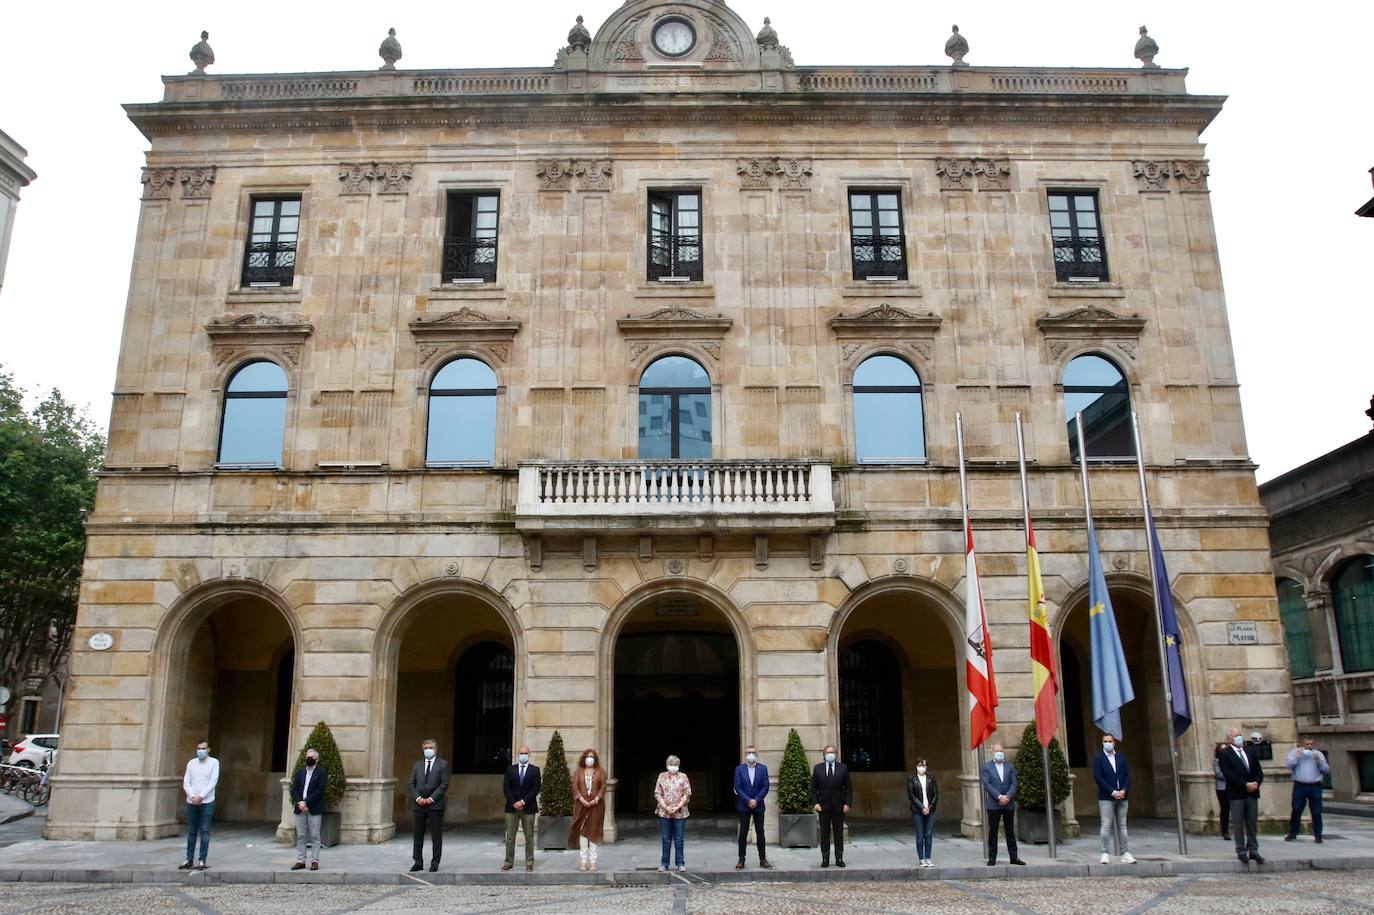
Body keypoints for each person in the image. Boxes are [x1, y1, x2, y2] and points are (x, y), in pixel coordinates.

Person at [1218, 726, 1264, 865]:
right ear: (1229, 738)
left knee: (1252, 822)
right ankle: (1241, 850)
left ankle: (1253, 849)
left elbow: (1259, 770)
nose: (1239, 737)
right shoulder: (1225, 754)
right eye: (1236, 735)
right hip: (1237, 792)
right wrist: (1245, 784)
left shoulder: (1250, 751)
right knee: (1238, 823)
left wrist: (1256, 782)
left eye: (1240, 735)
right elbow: (1228, 774)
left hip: (1252, 791)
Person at [1092, 734, 1135, 864]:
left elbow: (1127, 775)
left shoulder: (1121, 758)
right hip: (1106, 797)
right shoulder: (1098, 758)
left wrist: (1123, 790)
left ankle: (1125, 852)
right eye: (1105, 741)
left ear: (1114, 742)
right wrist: (1112, 792)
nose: (1107, 743)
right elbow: (1098, 777)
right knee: (1106, 825)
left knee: (1123, 825)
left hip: (1122, 796)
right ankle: (1105, 853)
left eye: (1110, 741)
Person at [408, 738, 449, 872]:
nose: (428, 750)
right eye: (426, 748)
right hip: (419, 805)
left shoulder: (442, 764)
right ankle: (417, 862)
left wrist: (431, 799)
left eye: (430, 748)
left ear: (435, 749)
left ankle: (435, 862)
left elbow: (444, 784)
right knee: (417, 835)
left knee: (436, 836)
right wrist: (418, 798)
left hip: (435, 806)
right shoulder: (417, 765)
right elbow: (411, 784)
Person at [980, 743, 1025, 866]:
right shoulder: (986, 767)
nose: (999, 753)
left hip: (1008, 803)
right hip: (994, 804)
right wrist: (999, 797)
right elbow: (986, 784)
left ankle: (1014, 857)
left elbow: (1014, 783)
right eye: (997, 751)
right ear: (992, 752)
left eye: (1001, 751)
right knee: (993, 831)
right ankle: (992, 857)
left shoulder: (1010, 766)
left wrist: (1008, 796)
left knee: (1010, 831)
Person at [180, 740, 219, 870]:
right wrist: (192, 796)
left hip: (207, 801)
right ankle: (189, 859)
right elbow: (186, 781)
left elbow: (213, 782)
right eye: (199, 748)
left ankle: (202, 859)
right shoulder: (191, 763)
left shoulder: (214, 763)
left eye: (203, 749)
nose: (201, 751)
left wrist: (201, 796)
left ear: (208, 750)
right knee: (191, 831)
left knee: (205, 830)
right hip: (192, 801)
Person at [733, 745, 773, 870]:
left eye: (753, 752)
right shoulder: (739, 769)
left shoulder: (763, 768)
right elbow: (738, 787)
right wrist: (748, 800)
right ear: (745, 754)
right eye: (749, 752)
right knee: (743, 833)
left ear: (756, 754)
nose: (751, 754)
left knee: (760, 832)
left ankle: (762, 858)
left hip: (758, 805)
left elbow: (765, 786)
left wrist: (756, 800)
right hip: (744, 806)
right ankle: (741, 859)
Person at [811, 744, 852, 868]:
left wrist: (847, 803)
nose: (830, 754)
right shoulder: (818, 768)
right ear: (824, 755)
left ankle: (839, 858)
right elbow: (813, 788)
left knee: (838, 833)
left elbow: (849, 788)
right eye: (828, 752)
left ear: (836, 754)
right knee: (824, 834)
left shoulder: (843, 768)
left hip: (839, 806)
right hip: (823, 807)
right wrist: (815, 803)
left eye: (832, 752)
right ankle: (825, 859)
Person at [501, 745, 541, 871]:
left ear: (529, 755)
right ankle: (508, 862)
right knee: (510, 837)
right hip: (512, 808)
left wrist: (523, 802)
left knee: (529, 837)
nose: (523, 755)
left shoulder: (535, 770)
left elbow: (535, 789)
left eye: (525, 753)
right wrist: (514, 802)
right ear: (518, 755)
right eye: (521, 753)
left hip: (528, 807)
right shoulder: (510, 769)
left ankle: (529, 862)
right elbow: (506, 788)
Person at [289, 747, 328, 871]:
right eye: (307, 757)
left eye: (311, 757)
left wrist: (307, 802)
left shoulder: (321, 772)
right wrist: (300, 802)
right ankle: (301, 860)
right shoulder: (300, 772)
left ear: (317, 759)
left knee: (315, 836)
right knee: (301, 836)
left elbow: (320, 790)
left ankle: (315, 861)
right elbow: (294, 789)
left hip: (314, 808)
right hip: (300, 808)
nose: (309, 759)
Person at [1285, 737, 1330, 843]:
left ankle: (1318, 835)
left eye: (1311, 744)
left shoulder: (1318, 754)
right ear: (1301, 744)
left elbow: (1326, 770)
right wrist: (1297, 757)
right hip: (1300, 785)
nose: (1309, 747)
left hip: (1315, 786)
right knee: (1296, 809)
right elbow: (1288, 765)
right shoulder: (1295, 752)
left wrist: (1318, 761)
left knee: (1316, 811)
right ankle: (1292, 833)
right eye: (1307, 744)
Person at [569, 748, 606, 872]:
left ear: (595, 759)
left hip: (596, 806)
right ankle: (583, 862)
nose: (589, 759)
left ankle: (593, 862)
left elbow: (603, 787)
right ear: (584, 758)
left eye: (592, 756)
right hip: (581, 806)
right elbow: (575, 787)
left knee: (593, 833)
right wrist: (582, 800)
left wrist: (596, 799)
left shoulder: (600, 771)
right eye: (587, 756)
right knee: (583, 832)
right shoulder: (578, 771)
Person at [654, 754, 692, 872]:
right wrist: (665, 807)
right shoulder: (662, 776)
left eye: (675, 765)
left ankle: (680, 863)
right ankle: (664, 864)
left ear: (678, 765)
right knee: (666, 839)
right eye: (671, 764)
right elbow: (657, 793)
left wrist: (678, 806)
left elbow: (687, 793)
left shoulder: (683, 777)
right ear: (667, 765)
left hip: (680, 813)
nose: (673, 767)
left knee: (679, 839)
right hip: (664, 813)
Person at [907, 758, 940, 868]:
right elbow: (911, 795)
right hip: (917, 811)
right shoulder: (912, 779)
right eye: (920, 765)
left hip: (930, 810)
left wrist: (930, 807)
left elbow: (936, 794)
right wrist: (922, 807)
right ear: (917, 766)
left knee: (929, 834)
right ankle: (921, 858)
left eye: (924, 765)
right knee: (920, 834)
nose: (922, 767)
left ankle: (928, 857)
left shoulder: (931, 779)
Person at [1213, 743, 1230, 840]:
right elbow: (1219, 774)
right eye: (1222, 750)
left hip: (1231, 787)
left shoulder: (1230, 760)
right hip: (1222, 788)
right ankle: (1225, 831)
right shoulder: (1216, 761)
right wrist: (1231, 776)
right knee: (1225, 809)